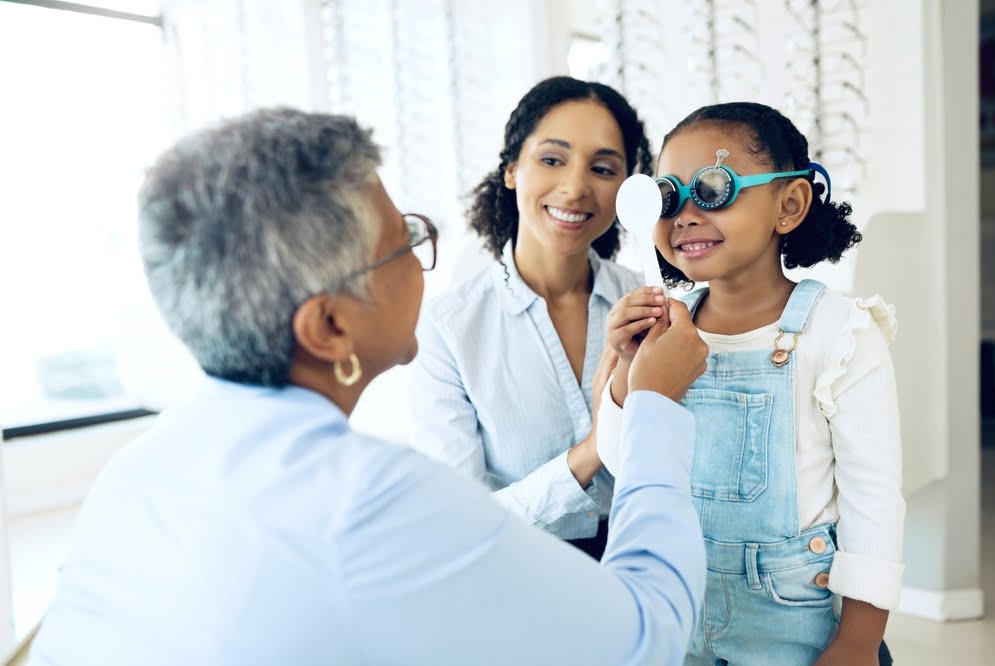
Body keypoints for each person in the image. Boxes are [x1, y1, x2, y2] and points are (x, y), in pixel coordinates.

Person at [27, 108, 710, 666]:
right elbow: (647, 636)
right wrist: (649, 408)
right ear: (327, 326)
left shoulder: (137, 469)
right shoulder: (375, 501)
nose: (422, 262)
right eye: (403, 242)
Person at [596, 102, 904, 665]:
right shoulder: (667, 331)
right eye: (668, 196)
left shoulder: (840, 334)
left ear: (788, 205)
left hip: (794, 628)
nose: (684, 214)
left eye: (713, 187)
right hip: (680, 607)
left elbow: (874, 500)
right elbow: (624, 460)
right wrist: (626, 371)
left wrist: (858, 642)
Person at [409, 76, 652, 559]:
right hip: (517, 577)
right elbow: (459, 524)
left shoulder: (653, 304)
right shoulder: (449, 327)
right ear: (512, 169)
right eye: (552, 159)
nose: (576, 187)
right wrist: (589, 453)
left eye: (603, 168)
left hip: (650, 567)